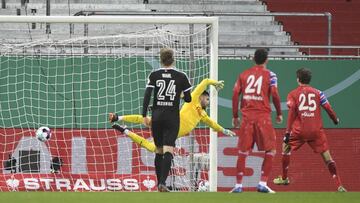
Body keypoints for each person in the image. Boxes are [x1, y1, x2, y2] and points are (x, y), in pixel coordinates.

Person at [109, 78, 235, 153]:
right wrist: (214, 83)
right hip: (170, 122)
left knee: (154, 149)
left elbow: (212, 124)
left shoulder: (203, 115)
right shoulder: (193, 99)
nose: (208, 102)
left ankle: (125, 131)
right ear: (201, 96)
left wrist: (223, 130)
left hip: (171, 135)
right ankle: (118, 117)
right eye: (207, 99)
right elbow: (205, 81)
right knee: (147, 121)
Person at [273, 68, 347, 192]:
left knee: (286, 147)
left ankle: (285, 178)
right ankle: (339, 184)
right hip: (316, 131)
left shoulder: (292, 94)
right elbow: (328, 108)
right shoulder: (319, 93)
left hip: (299, 130)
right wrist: (335, 120)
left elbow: (291, 113)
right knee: (327, 157)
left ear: (298, 80)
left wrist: (287, 133)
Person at [231, 48, 282, 193]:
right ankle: (262, 183)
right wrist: (279, 113)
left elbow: (235, 94)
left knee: (243, 151)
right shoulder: (271, 75)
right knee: (271, 149)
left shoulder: (244, 75)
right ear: (266, 60)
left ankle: (238, 185)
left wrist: (235, 116)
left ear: (253, 59)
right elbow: (275, 94)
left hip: (246, 117)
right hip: (263, 118)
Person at [141, 47, 192, 192]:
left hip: (157, 117)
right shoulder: (181, 76)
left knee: (159, 150)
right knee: (169, 150)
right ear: (173, 59)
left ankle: (159, 184)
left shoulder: (154, 75)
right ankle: (163, 182)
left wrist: (144, 115)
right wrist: (180, 94)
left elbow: (147, 95)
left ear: (161, 59)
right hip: (171, 117)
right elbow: (188, 99)